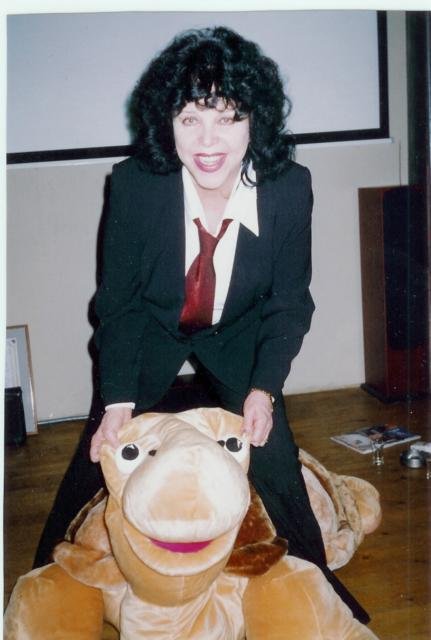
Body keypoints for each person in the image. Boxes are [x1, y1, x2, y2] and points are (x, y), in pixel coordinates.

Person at [34, 26, 369, 623]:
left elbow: (290, 302)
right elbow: (119, 304)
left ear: (255, 121)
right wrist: (117, 400)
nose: (208, 141)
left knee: (275, 455)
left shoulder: (289, 189)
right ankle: (40, 584)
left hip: (236, 331)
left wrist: (264, 388)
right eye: (190, 118)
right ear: (168, 124)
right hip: (152, 327)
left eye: (228, 117)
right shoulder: (136, 184)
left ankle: (324, 592)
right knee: (100, 450)